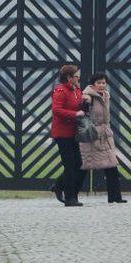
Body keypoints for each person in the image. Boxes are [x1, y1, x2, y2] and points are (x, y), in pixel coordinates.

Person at [80, 72, 126, 203]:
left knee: (111, 167)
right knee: (83, 166)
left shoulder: (105, 95)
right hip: (93, 136)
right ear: (93, 84)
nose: (101, 85)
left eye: (103, 83)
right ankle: (61, 187)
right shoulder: (88, 96)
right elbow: (82, 115)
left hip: (105, 136)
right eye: (99, 83)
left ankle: (115, 197)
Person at [49, 63, 86, 207]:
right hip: (62, 134)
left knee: (79, 164)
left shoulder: (77, 89)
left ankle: (59, 185)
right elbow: (56, 110)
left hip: (74, 133)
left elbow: (79, 106)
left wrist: (86, 104)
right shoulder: (60, 90)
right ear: (68, 77)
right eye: (76, 76)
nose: (78, 78)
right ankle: (70, 198)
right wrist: (75, 114)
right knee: (70, 165)